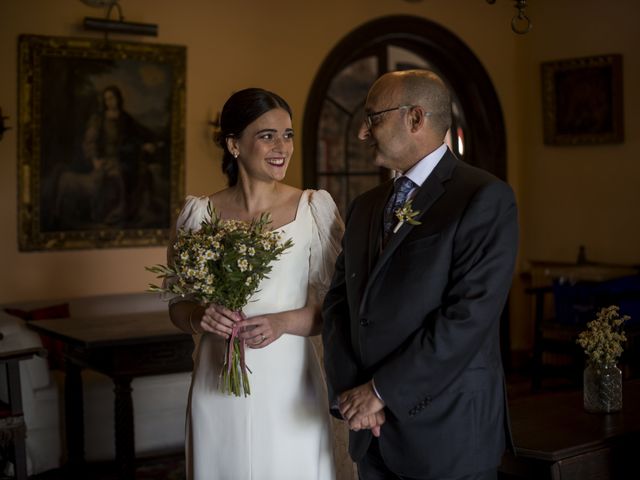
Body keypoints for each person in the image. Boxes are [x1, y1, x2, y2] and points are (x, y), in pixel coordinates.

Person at [322, 70, 519, 480]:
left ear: (415, 119)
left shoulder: (483, 198)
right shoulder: (364, 207)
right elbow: (339, 305)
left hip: (447, 436)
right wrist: (353, 398)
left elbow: (468, 319)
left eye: (373, 117)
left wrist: (379, 392)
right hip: (370, 435)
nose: (362, 132)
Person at [167, 88, 350, 480]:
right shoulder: (197, 215)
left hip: (290, 385)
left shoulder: (314, 210)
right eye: (267, 135)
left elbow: (337, 308)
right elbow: (176, 305)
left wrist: (282, 323)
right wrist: (200, 316)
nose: (281, 146)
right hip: (216, 384)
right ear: (234, 144)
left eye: (288, 134)